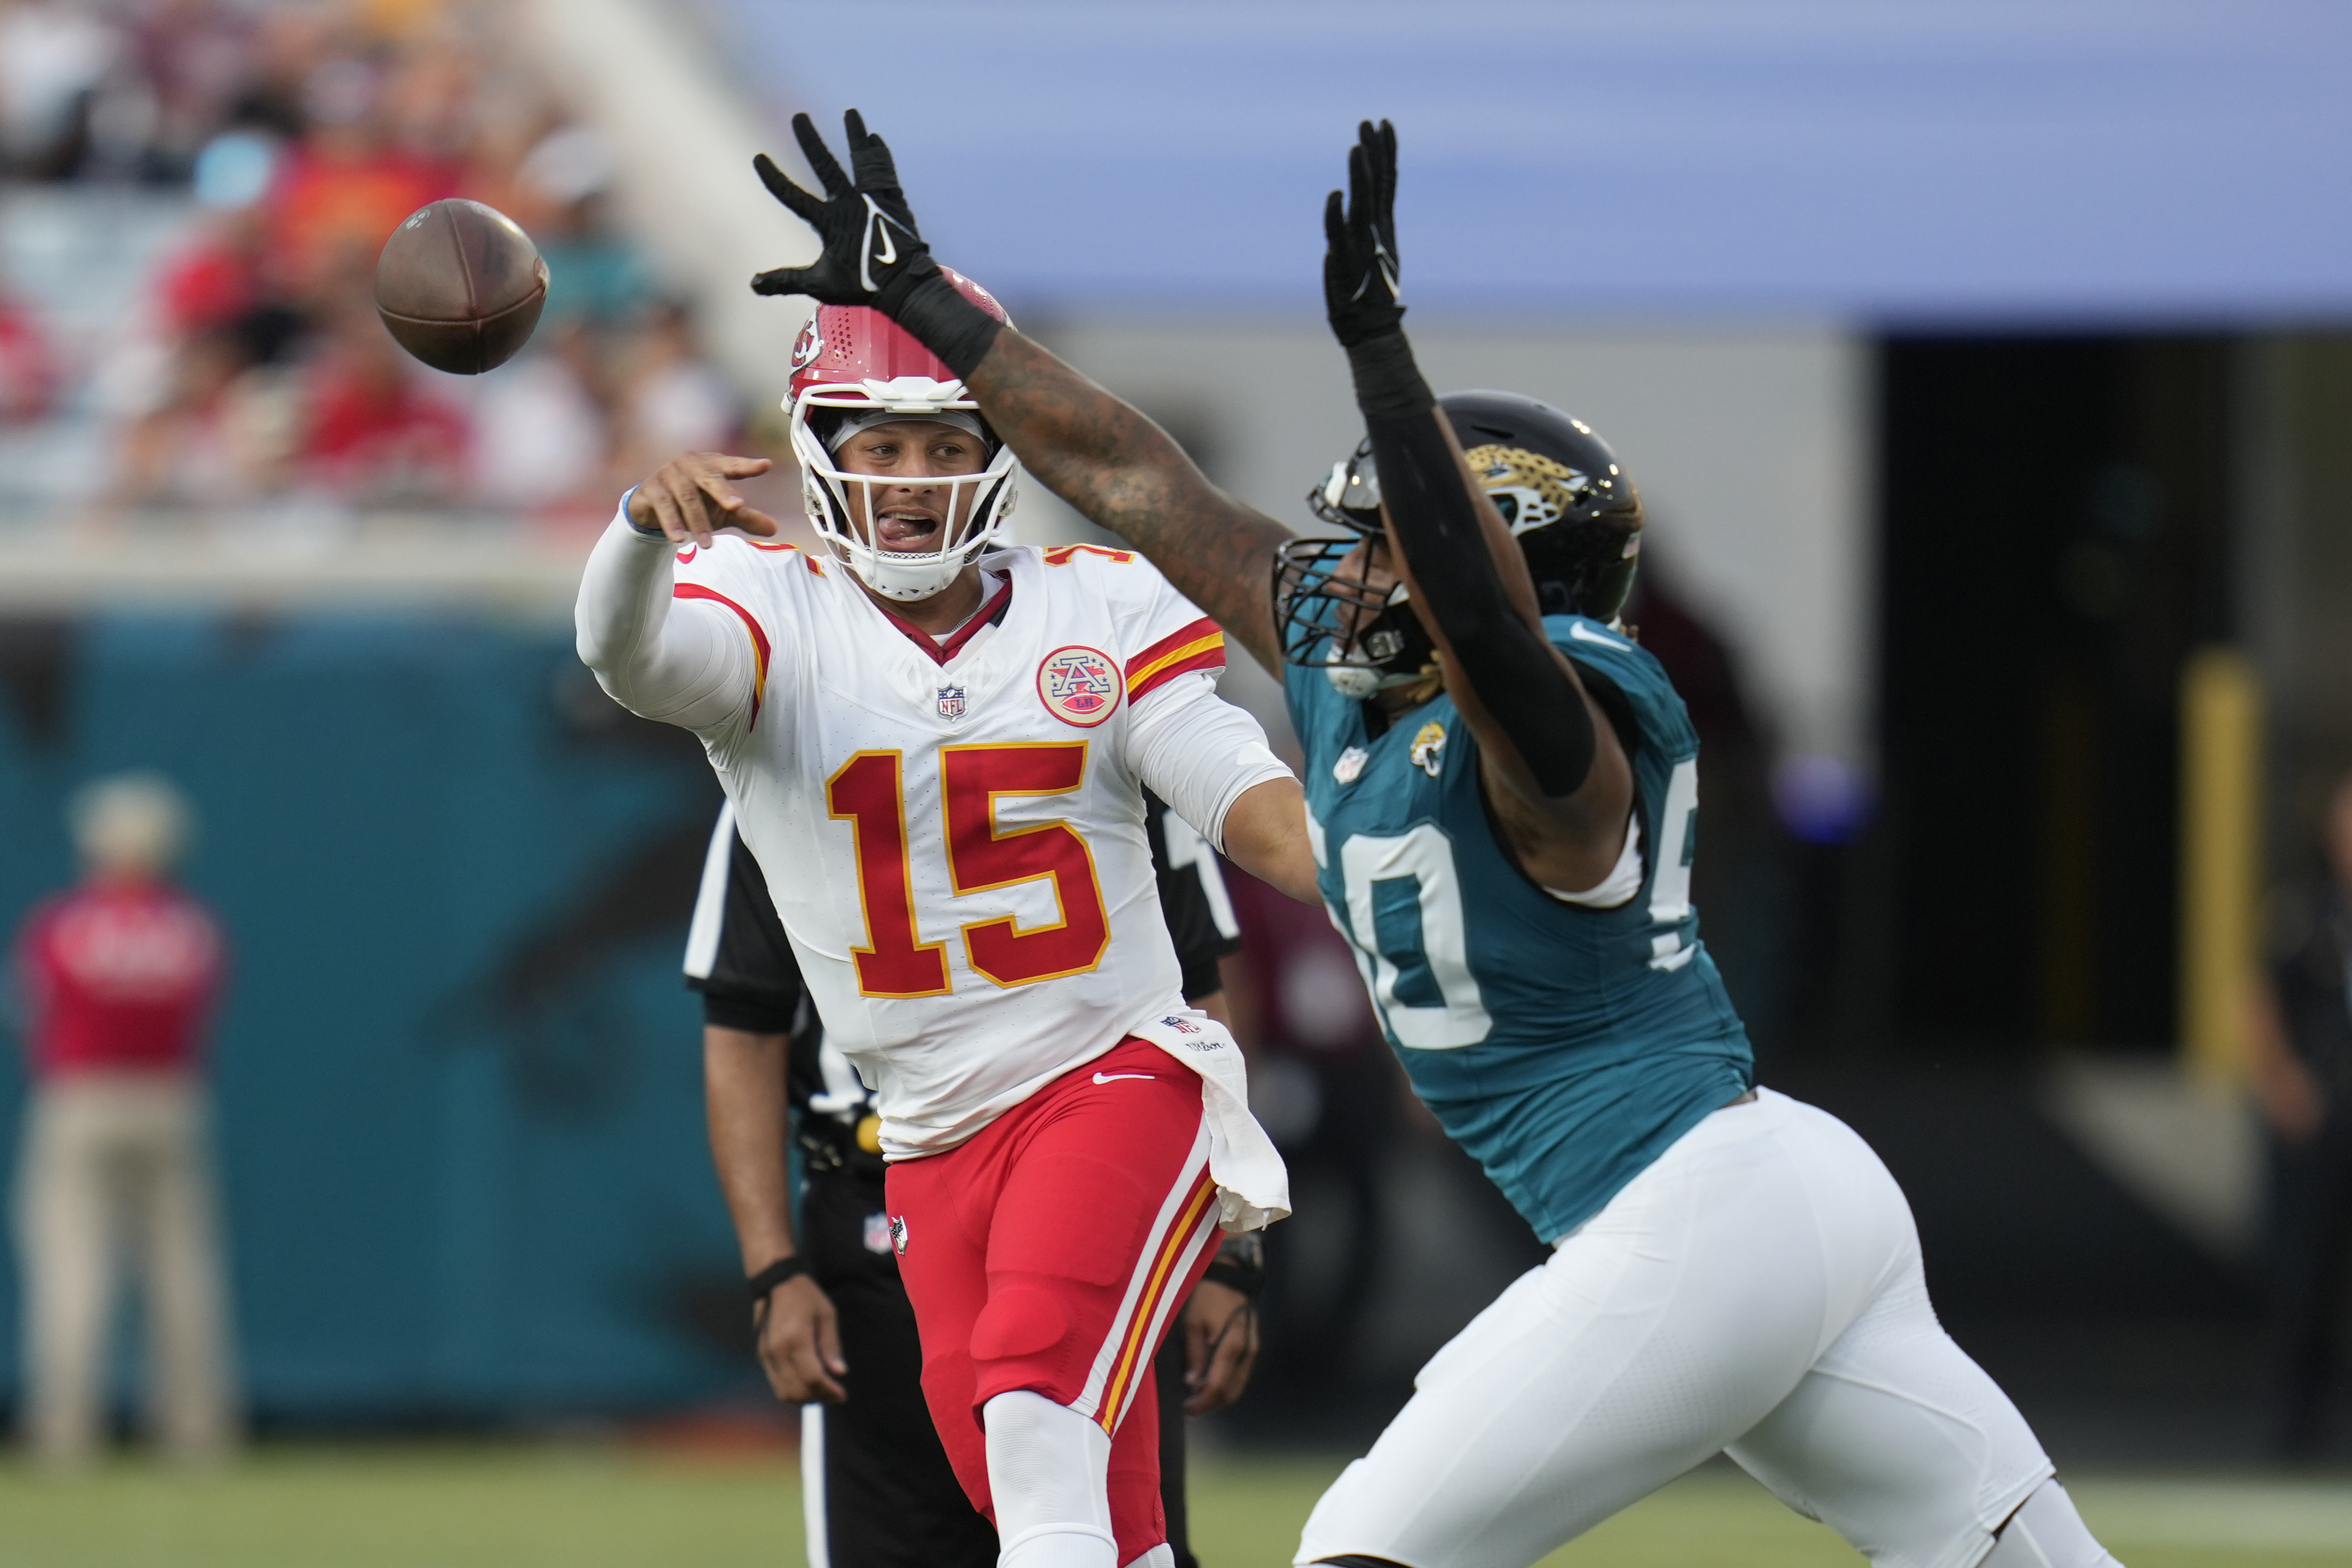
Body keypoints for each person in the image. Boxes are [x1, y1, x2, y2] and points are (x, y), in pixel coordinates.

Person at [750, 110, 2124, 1568]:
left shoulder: (1574, 729)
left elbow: (1484, 622)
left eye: (1376, 535)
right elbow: (1132, 478)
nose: (1334, 564)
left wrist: (1390, 379)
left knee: (1360, 1547)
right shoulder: (1359, 677)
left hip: (1691, 1208)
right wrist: (935, 317)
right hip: (1772, 1202)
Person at [575, 233, 1315, 1568]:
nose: (913, 478)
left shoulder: (1097, 602)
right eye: (881, 446)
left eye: (943, 444)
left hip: (1111, 1073)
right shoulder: (767, 610)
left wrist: (1362, 869)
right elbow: (627, 658)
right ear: (821, 450)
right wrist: (635, 531)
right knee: (1071, 1506)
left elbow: (1233, 789)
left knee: (1032, 1408)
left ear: (998, 454)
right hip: (921, 1132)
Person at [690, 794, 1264, 1568]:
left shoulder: (1096, 717)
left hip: (1092, 1171)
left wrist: (1231, 1249)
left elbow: (1198, 1000)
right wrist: (773, 1267)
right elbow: (742, 1027)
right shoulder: (782, 753)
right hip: (891, 1189)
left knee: (1115, 1521)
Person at [10, 772, 239, 1468]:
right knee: (184, 1269)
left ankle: (66, 1430)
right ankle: (196, 1430)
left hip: (81, 1096)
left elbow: (33, 1009)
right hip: (171, 1099)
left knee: (72, 1265)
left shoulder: (64, 926)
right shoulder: (192, 928)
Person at [2246, 768, 2352, 1459]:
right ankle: (2295, 1433)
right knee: (2308, 1276)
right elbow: (2255, 998)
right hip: (2327, 1121)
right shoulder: (2304, 914)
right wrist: (2282, 1084)